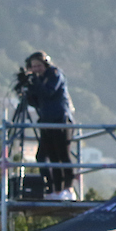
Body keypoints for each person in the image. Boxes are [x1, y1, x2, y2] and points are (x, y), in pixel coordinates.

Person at [20, 51, 75, 200]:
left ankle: (68, 188)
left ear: (46, 63)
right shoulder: (40, 79)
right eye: (33, 67)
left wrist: (34, 83)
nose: (36, 69)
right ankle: (55, 190)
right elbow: (37, 101)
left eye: (38, 65)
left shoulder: (54, 74)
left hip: (60, 120)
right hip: (46, 121)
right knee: (47, 156)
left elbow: (48, 92)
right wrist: (27, 90)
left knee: (62, 155)